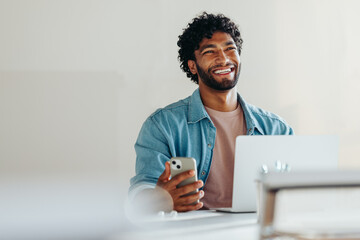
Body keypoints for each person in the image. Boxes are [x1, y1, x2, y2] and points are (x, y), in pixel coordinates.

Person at [129, 12, 293, 213]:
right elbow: (140, 191)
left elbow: (294, 190)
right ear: (192, 66)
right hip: (193, 232)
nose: (223, 59)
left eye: (230, 49)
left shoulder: (277, 128)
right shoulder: (162, 125)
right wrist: (160, 199)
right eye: (210, 52)